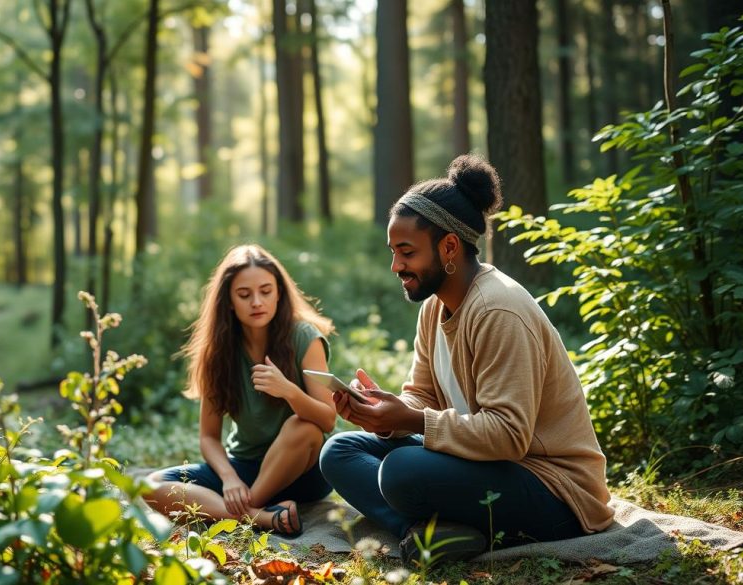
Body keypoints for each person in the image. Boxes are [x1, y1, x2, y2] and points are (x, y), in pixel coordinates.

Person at [319, 154, 613, 566]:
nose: (396, 266)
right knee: (340, 451)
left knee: (401, 471)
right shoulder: (434, 308)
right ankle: (425, 535)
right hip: (484, 464)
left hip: (553, 488)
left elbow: (510, 436)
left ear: (450, 246)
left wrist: (411, 422)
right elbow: (421, 396)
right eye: (393, 252)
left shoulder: (498, 310)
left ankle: (433, 531)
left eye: (407, 252)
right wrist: (384, 415)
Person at [145, 244, 337, 536]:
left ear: (280, 293)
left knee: (303, 426)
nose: (257, 302)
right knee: (151, 486)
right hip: (245, 467)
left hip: (302, 472)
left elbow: (327, 420)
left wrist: (288, 391)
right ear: (229, 301)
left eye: (266, 291)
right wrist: (229, 478)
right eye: (244, 295)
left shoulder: (304, 337)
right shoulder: (218, 350)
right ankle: (261, 517)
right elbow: (209, 438)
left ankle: (246, 509)